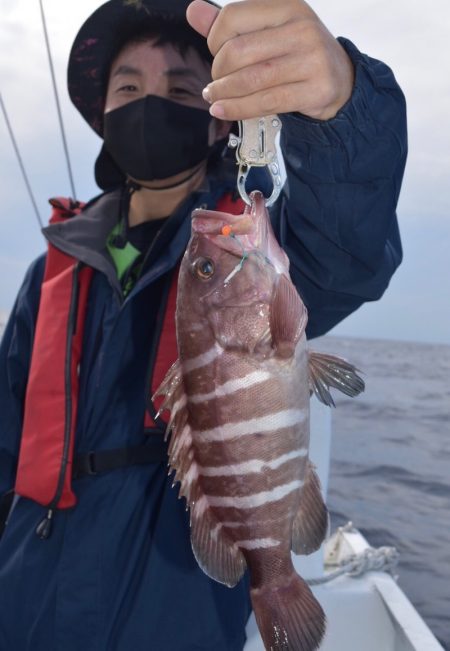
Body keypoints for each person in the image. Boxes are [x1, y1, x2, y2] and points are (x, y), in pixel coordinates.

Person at [0, 0, 407, 649]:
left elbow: (350, 254)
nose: (151, 101)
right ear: (103, 114)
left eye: (181, 88)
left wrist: (339, 108)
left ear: (221, 121)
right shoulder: (52, 272)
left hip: (168, 618)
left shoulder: (256, 241)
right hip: (23, 602)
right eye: (129, 87)